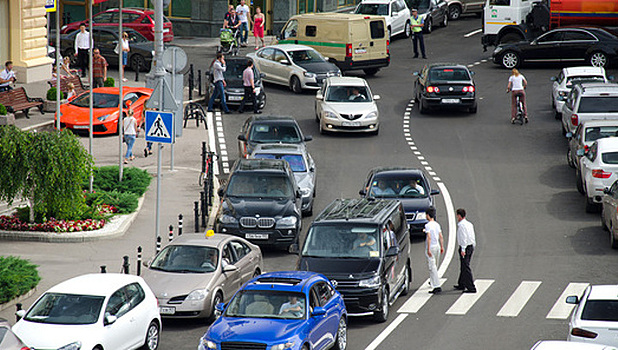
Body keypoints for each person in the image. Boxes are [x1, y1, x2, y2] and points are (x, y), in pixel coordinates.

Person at [454, 208, 477, 293]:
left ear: (459, 216)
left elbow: (463, 237)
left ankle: (471, 287)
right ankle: (462, 284)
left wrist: (463, 249)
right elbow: (472, 236)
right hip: (470, 246)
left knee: (465, 266)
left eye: (457, 215)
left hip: (465, 247)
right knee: (463, 266)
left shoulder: (461, 225)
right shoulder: (469, 224)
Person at [424, 208, 444, 294]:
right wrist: (442, 246)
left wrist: (428, 249)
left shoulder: (427, 225)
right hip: (437, 246)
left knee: (432, 267)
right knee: (435, 265)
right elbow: (441, 236)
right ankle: (432, 281)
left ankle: (436, 285)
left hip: (431, 247)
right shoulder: (437, 224)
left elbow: (429, 237)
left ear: (428, 215)